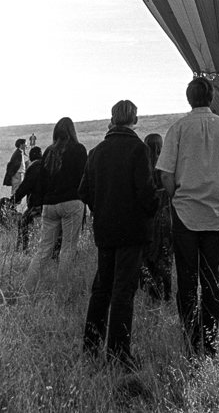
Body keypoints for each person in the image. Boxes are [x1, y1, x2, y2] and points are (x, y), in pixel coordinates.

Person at [157, 77, 219, 357]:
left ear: (188, 98)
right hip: (215, 213)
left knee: (186, 278)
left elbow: (166, 174)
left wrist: (175, 196)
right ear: (212, 98)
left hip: (185, 212)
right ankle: (210, 340)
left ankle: (190, 338)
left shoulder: (178, 128)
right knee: (211, 278)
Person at [80, 100, 158, 368]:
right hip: (133, 231)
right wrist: (154, 206)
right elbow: (145, 192)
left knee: (101, 288)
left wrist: (101, 209)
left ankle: (90, 348)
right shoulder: (139, 149)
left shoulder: (97, 151)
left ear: (113, 118)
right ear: (135, 119)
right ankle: (119, 354)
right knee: (123, 291)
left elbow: (84, 191)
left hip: (105, 230)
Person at [23, 118, 87, 294]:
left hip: (49, 205)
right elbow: (84, 178)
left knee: (43, 249)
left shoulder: (49, 152)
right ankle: (62, 293)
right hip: (72, 202)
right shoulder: (79, 150)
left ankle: (27, 291)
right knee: (67, 249)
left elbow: (42, 182)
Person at [139, 133, 173, 302]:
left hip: (146, 216)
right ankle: (165, 293)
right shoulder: (165, 166)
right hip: (165, 215)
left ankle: (149, 291)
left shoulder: (142, 167)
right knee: (165, 255)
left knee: (147, 256)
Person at [14, 146, 44, 252]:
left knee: (23, 222)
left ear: (31, 157)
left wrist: (14, 199)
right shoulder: (47, 164)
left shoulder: (34, 166)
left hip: (37, 205)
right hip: (49, 203)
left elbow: (25, 187)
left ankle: (23, 248)